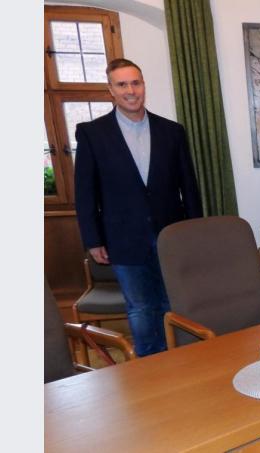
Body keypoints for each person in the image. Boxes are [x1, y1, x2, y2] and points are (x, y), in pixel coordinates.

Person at [74, 58, 202, 357]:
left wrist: (194, 232)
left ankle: (180, 361)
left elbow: (189, 186)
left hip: (171, 237)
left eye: (135, 83)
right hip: (123, 238)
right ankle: (149, 367)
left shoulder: (172, 131)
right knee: (141, 308)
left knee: (174, 303)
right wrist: (93, 240)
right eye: (122, 84)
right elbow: (85, 193)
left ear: (143, 85)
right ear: (111, 90)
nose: (130, 91)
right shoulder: (92, 133)